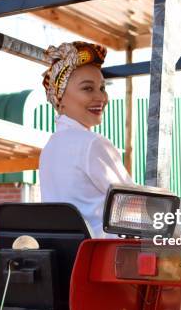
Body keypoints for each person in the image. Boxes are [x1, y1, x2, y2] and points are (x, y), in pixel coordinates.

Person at [39, 41, 134, 238]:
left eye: (102, 88)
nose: (101, 97)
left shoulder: (49, 148)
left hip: (69, 259)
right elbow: (136, 203)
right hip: (104, 260)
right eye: (88, 89)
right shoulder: (91, 143)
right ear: (61, 98)